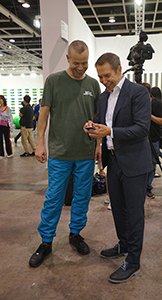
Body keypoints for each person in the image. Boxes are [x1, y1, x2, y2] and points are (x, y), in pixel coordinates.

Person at [29, 40, 101, 268]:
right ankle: (46, 242)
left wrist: (98, 144)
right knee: (54, 199)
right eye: (76, 63)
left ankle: (75, 234)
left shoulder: (93, 84)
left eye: (85, 63)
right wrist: (39, 143)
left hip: (86, 152)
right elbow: (44, 115)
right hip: (60, 153)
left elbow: (97, 118)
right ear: (68, 59)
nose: (81, 67)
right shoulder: (54, 81)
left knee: (82, 197)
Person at [84, 52, 153, 284]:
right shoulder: (104, 98)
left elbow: (142, 129)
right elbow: (105, 124)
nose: (104, 81)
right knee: (119, 210)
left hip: (135, 163)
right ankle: (124, 244)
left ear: (119, 69)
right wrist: (93, 127)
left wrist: (110, 132)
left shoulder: (138, 92)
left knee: (134, 213)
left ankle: (133, 261)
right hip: (113, 162)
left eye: (107, 76)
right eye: (100, 77)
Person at [142, 83, 162, 199]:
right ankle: (140, 186)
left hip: (154, 138)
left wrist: (149, 115)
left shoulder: (158, 104)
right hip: (139, 138)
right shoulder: (137, 103)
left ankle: (147, 186)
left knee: (152, 163)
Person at [151, 86, 162, 167]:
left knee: (154, 153)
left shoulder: (160, 104)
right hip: (152, 134)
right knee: (154, 151)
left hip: (156, 133)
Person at [0, 95, 14, 160]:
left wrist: (11, 126)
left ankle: (9, 153)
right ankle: (0, 154)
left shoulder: (7, 108)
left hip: (5, 126)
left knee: (7, 139)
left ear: (3, 100)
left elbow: (10, 118)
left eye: (0, 99)